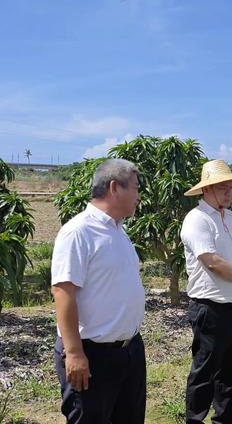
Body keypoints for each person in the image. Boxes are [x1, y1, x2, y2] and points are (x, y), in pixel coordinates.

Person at [51, 158, 146, 423]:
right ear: (115, 188)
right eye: (136, 187)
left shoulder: (119, 230)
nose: (139, 195)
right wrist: (74, 352)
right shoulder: (79, 231)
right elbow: (63, 291)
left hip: (128, 350)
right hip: (92, 354)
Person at [181, 159, 232, 424]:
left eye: (231, 187)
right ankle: (195, 419)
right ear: (207, 190)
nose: (230, 192)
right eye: (223, 187)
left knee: (230, 372)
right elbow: (211, 261)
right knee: (204, 371)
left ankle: (223, 420)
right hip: (211, 308)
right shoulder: (197, 220)